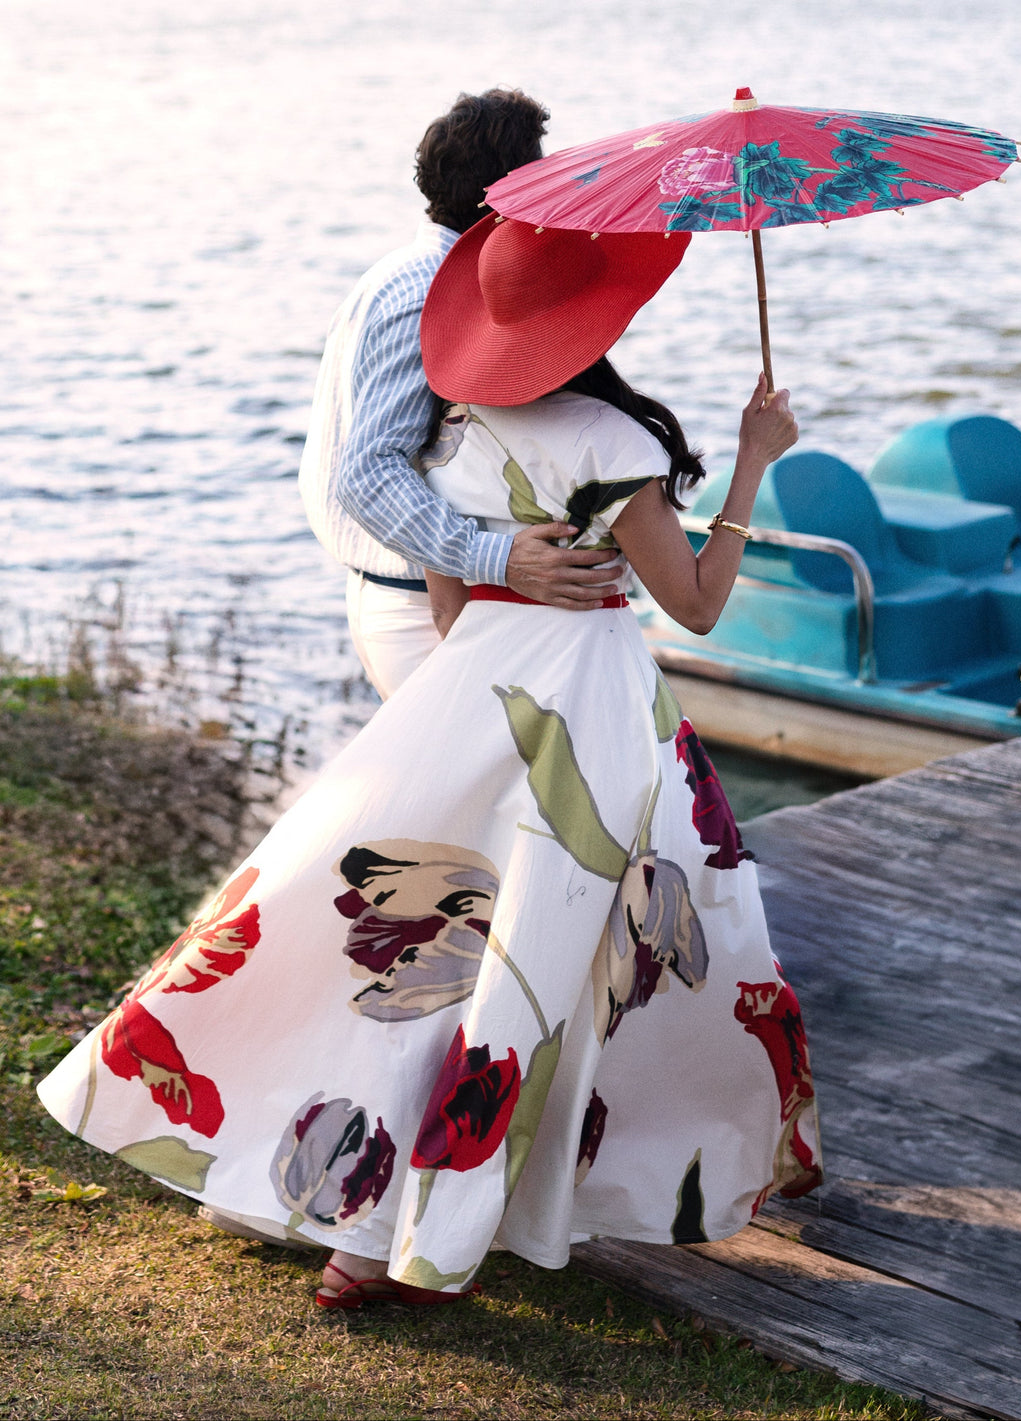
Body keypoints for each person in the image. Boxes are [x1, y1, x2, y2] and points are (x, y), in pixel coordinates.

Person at [38, 215, 820, 1310]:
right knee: (562, 956)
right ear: (597, 318)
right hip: (589, 713)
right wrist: (751, 463)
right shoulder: (614, 444)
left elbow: (449, 607)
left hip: (468, 700)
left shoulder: (452, 436)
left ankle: (355, 1231)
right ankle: (460, 1219)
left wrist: (509, 605)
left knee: (424, 964)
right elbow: (694, 606)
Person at [299, 87, 622, 701]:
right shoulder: (429, 293)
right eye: (538, 175)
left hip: (416, 593)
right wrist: (498, 559)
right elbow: (368, 474)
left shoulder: (406, 273)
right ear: (507, 190)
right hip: (415, 605)